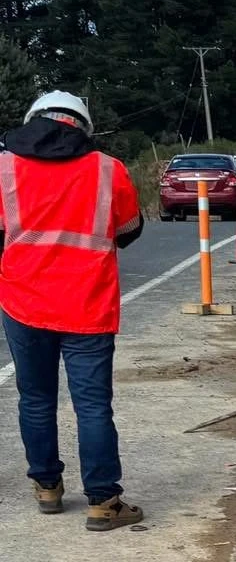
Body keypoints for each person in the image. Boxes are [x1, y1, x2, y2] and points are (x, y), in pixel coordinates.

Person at [0, 91, 145, 529]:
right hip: (87, 304)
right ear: (83, 127)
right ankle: (103, 500)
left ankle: (47, 486)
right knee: (93, 405)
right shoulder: (107, 168)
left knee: (36, 398)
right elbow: (129, 230)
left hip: (23, 301)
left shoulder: (5, 165)